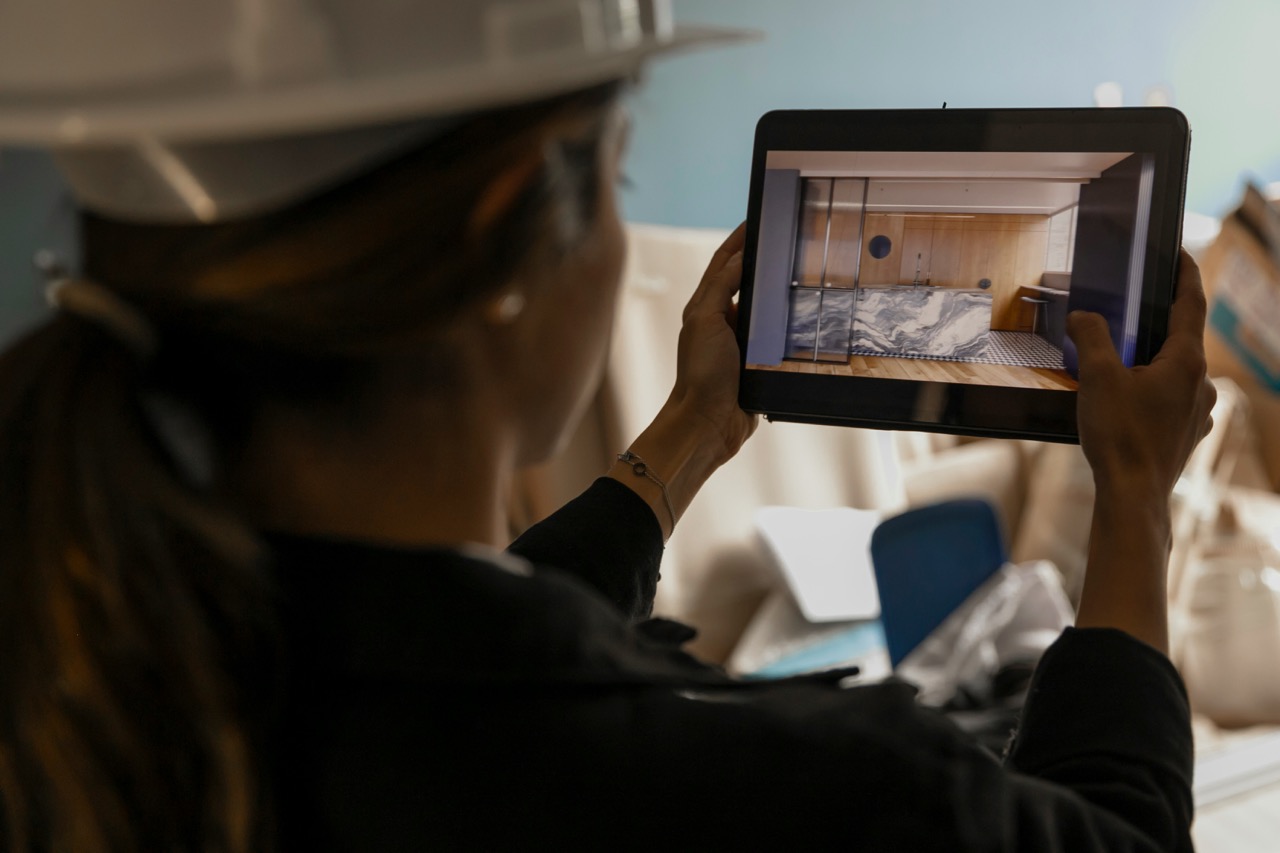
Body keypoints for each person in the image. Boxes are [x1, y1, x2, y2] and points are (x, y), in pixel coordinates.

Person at [0, 1, 1216, 850]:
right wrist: (1130, 500)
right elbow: (1113, 833)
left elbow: (433, 652)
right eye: (618, 181)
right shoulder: (787, 797)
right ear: (505, 238)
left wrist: (687, 434)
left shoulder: (109, 645)